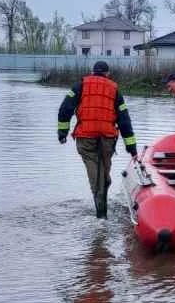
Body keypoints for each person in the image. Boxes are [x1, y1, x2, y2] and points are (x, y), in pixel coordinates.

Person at [58, 61, 138, 218]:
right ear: (107, 74)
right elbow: (124, 120)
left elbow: (65, 108)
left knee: (94, 173)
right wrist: (132, 148)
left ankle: (100, 215)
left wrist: (62, 132)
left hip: (86, 138)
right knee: (104, 172)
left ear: (92, 72)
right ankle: (103, 193)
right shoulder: (115, 90)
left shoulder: (79, 85)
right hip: (107, 138)